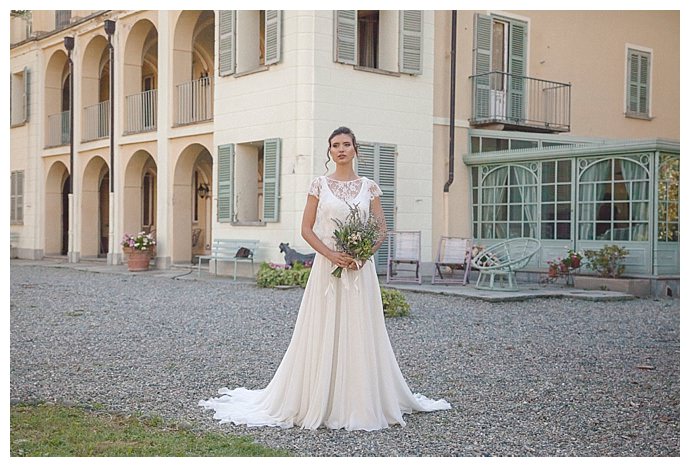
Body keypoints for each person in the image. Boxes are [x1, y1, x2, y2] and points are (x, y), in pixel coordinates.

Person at [199, 127, 451, 431]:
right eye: (335, 145)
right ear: (329, 151)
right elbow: (306, 229)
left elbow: (382, 228)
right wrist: (332, 256)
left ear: (356, 149)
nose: (341, 149)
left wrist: (362, 254)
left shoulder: (368, 186)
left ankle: (359, 400)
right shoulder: (319, 185)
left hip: (360, 270)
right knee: (323, 326)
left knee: (360, 328)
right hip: (327, 269)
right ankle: (321, 397)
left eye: (347, 144)